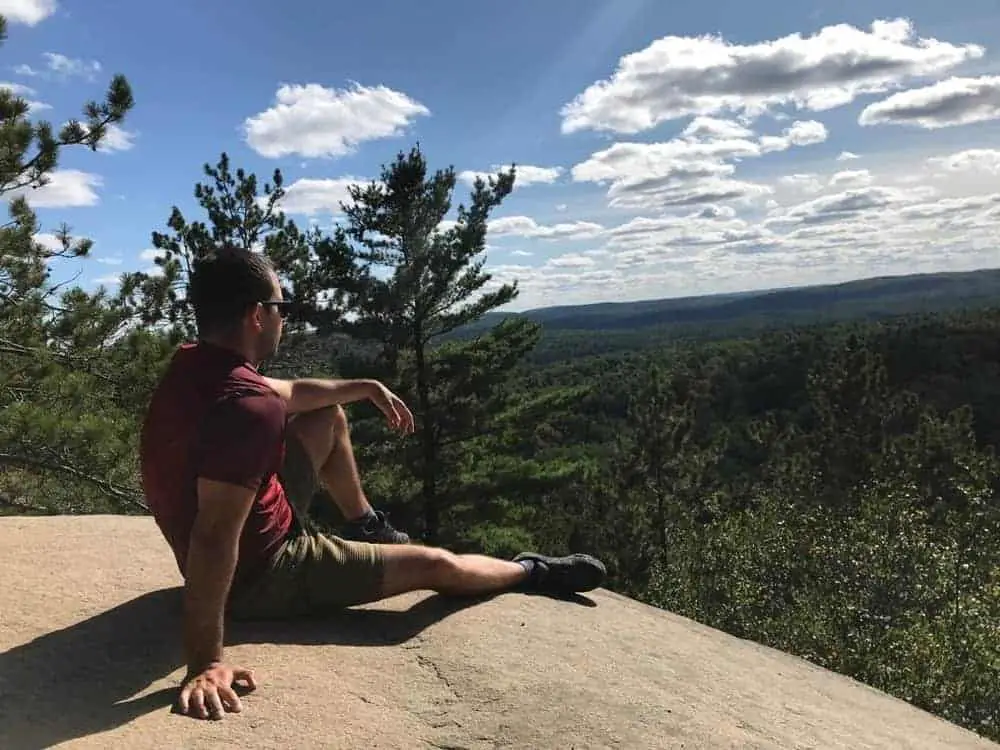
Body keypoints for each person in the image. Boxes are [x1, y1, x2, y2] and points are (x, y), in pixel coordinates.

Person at [139, 245, 606, 722]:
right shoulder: (247, 409)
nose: (286, 319)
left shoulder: (196, 365)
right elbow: (215, 537)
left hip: (259, 525)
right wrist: (206, 661)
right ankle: (532, 571)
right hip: (264, 575)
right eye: (282, 308)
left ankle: (365, 523)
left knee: (326, 415)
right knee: (436, 564)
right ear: (258, 315)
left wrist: (365, 386)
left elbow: (293, 393)